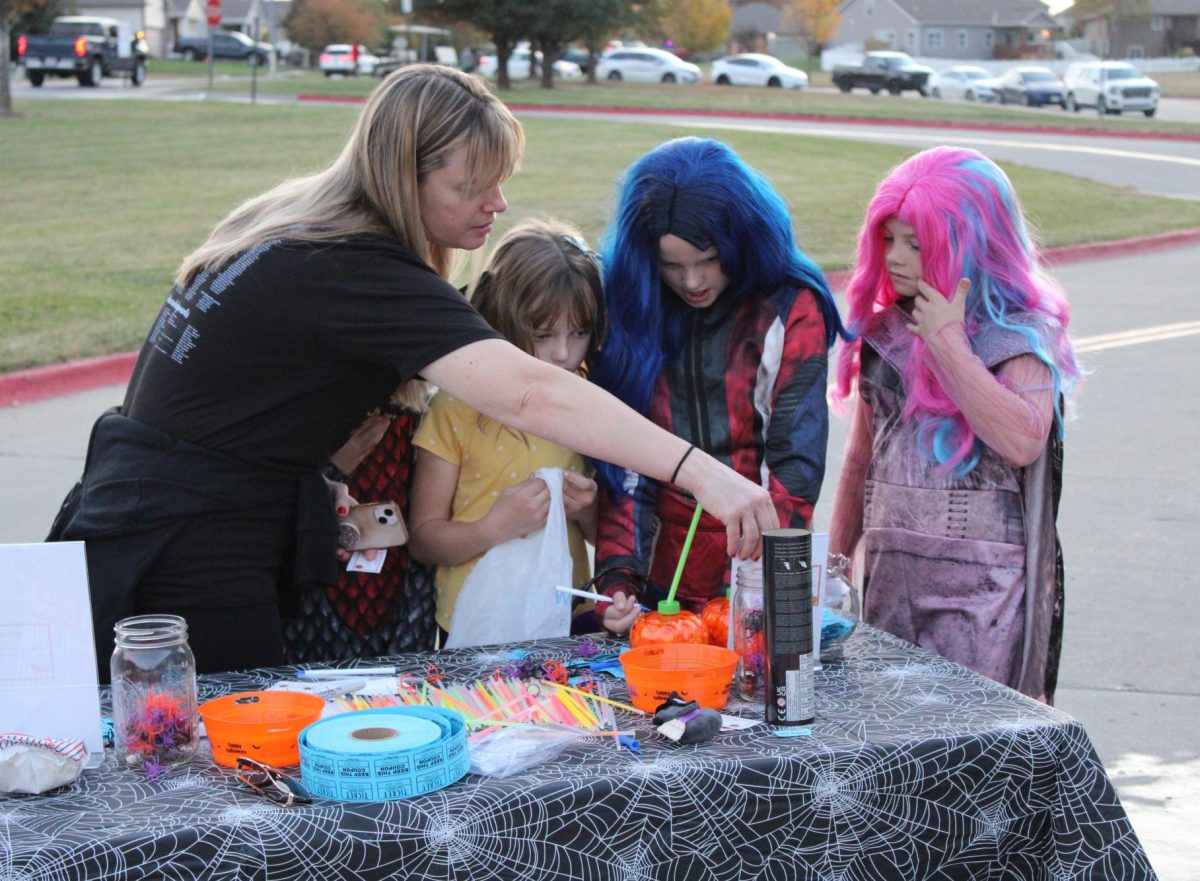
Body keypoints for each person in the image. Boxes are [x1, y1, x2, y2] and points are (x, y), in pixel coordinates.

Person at [48, 65, 778, 680]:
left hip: (159, 512)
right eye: (472, 185)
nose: (497, 203)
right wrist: (700, 471)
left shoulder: (297, 223)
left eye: (501, 181)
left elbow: (241, 394)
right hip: (190, 546)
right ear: (406, 174)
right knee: (221, 779)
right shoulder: (352, 266)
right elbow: (529, 390)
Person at [828, 146, 1080, 703]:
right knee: (893, 742)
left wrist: (947, 343)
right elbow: (859, 459)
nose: (895, 256)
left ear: (970, 244)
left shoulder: (1020, 336)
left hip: (985, 598)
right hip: (893, 581)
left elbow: (1022, 439)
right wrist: (836, 566)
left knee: (971, 750)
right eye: (889, 238)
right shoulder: (886, 336)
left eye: (916, 244)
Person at [588, 137, 846, 634]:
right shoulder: (635, 301)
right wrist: (619, 577)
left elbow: (795, 466)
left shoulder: (791, 307)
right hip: (655, 580)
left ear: (741, 240)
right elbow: (624, 456)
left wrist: (763, 585)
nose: (692, 281)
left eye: (707, 259)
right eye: (672, 265)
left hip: (752, 572)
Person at [407, 220, 602, 642]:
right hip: (478, 622)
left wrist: (589, 512)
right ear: (500, 318)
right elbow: (423, 539)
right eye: (542, 334)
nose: (564, 353)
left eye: (580, 332)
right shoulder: (455, 407)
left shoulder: (589, 403)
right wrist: (493, 529)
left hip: (566, 614)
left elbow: (612, 536)